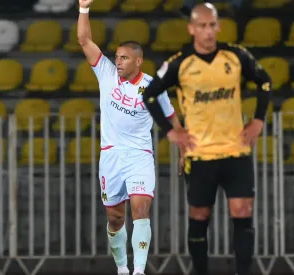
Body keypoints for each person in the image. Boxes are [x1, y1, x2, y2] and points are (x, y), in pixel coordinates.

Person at [143, 3, 272, 275]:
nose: (208, 31)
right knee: (200, 216)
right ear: (192, 29)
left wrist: (259, 119)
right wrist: (171, 132)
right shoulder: (180, 63)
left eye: (212, 25)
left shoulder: (235, 56)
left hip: (236, 150)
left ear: (218, 26)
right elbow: (150, 95)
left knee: (242, 212)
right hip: (199, 154)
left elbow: (264, 82)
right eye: (202, 26)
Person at [77, 1, 183, 274]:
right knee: (115, 218)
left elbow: (171, 117)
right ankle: (122, 268)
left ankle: (138, 271)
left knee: (140, 208)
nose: (118, 61)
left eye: (124, 57)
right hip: (110, 155)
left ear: (138, 60)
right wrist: (84, 9)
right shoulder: (107, 74)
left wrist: (184, 149)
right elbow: (84, 39)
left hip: (139, 156)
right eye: (117, 57)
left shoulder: (152, 87)